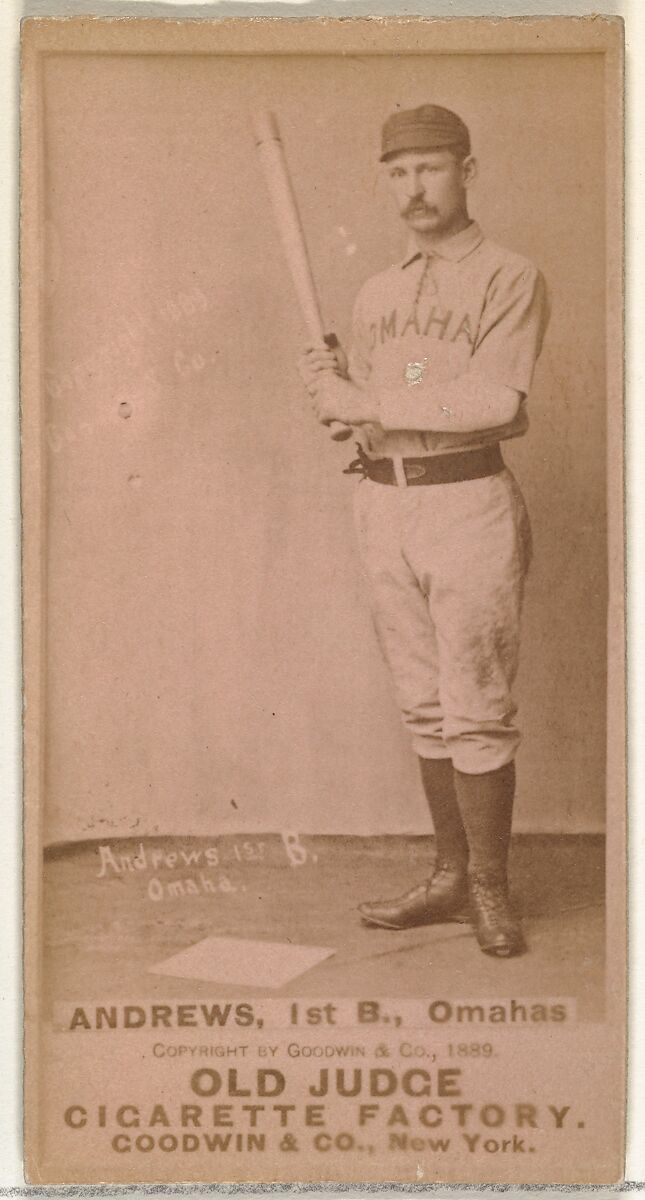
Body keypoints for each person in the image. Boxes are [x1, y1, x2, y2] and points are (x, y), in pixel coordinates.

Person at [297, 104, 549, 957]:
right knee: (425, 703)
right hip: (383, 501)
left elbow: (495, 404)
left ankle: (488, 884)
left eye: (431, 168)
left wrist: (368, 399)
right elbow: (399, 392)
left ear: (467, 171)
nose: (414, 186)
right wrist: (340, 398)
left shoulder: (508, 276)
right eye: (398, 172)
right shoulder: (380, 291)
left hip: (465, 502)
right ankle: (447, 875)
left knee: (476, 704)